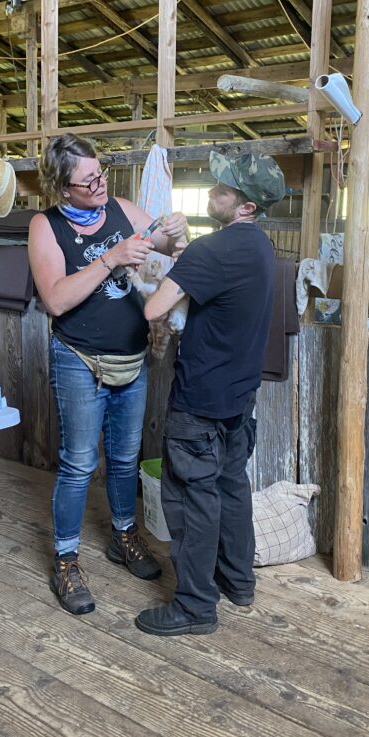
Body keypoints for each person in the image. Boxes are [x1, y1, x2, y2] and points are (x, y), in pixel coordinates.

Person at [28, 133, 188, 616]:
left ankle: (124, 537)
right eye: (87, 182)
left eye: (100, 174)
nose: (99, 186)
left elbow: (166, 242)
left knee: (123, 459)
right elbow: (55, 300)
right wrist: (109, 259)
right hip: (80, 358)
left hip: (131, 359)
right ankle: (65, 559)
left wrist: (177, 230)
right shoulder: (45, 226)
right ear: (62, 188)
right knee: (79, 463)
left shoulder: (120, 209)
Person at [134, 148, 285, 637]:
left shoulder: (211, 250)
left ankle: (196, 606)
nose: (212, 191)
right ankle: (238, 582)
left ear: (246, 207)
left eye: (223, 189)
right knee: (230, 485)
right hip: (239, 398)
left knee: (190, 499)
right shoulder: (261, 247)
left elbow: (155, 308)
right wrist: (187, 262)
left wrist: (174, 268)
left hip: (199, 401)